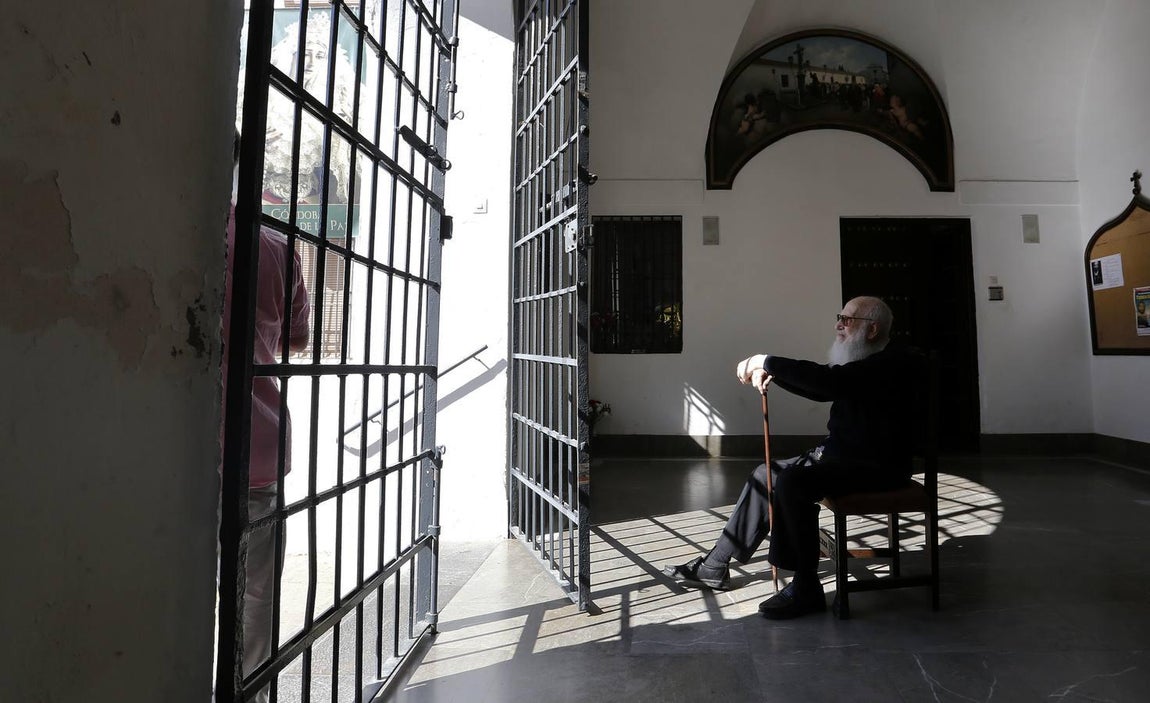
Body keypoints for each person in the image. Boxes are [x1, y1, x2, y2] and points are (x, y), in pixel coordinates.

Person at [664, 296, 919, 620]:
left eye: (847, 319)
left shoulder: (890, 364)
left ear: (872, 330)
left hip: (878, 467)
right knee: (765, 475)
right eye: (839, 317)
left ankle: (806, 587)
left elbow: (827, 384)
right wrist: (773, 373)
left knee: (793, 482)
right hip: (845, 457)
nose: (838, 325)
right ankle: (715, 565)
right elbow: (824, 382)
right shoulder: (867, 361)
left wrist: (765, 361)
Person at [222, 132, 312, 701]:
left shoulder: (150, 232)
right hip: (255, 444)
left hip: (164, 453)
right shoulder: (274, 245)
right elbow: (299, 342)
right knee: (254, 596)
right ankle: (244, 692)